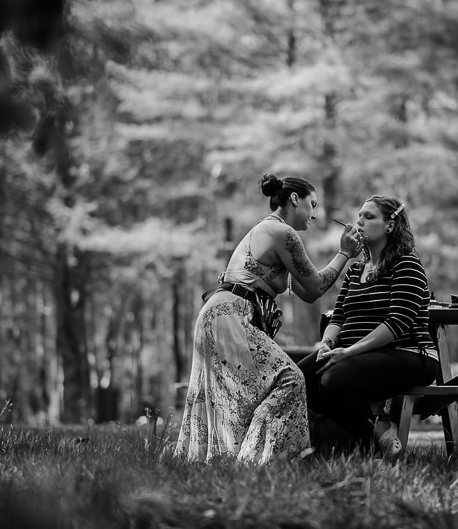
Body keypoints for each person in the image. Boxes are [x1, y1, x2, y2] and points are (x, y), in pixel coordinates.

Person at [173, 173, 361, 465]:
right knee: (291, 379)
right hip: (230, 315)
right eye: (313, 204)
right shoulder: (281, 232)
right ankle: (263, 460)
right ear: (294, 200)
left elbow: (307, 294)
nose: (315, 214)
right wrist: (344, 253)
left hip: (222, 314)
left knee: (243, 395)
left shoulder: (272, 233)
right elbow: (316, 286)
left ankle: (233, 460)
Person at [297, 195, 440, 461]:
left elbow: (397, 324)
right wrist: (327, 344)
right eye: (359, 215)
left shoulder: (406, 264)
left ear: (390, 225)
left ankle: (372, 443)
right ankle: (376, 441)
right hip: (359, 354)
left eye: (369, 216)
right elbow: (338, 317)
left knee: (333, 379)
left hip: (409, 353)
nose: (359, 221)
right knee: (300, 380)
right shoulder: (355, 270)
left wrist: (348, 352)